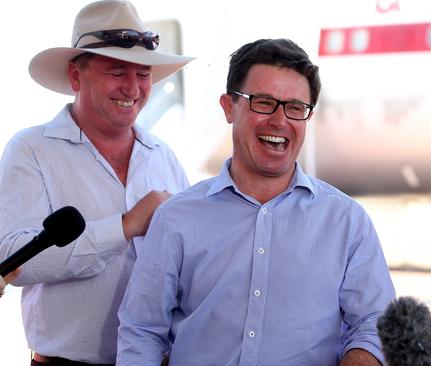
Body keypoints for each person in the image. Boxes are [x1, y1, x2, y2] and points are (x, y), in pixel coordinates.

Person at [116, 38, 395, 366]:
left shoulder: (347, 221)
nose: (279, 121)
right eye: (263, 102)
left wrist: (360, 356)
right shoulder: (176, 217)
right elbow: (142, 331)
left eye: (295, 107)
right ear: (229, 107)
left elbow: (375, 323)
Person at [0, 1, 194, 365]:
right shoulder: (31, 150)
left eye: (143, 74)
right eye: (117, 72)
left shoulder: (163, 155)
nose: (134, 88)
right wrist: (125, 226)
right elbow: (13, 260)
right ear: (76, 77)